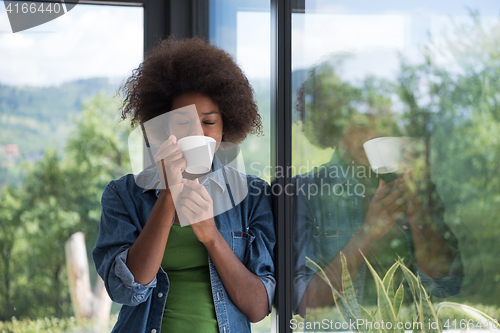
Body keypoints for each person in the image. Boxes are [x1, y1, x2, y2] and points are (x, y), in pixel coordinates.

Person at [92, 37, 276, 333]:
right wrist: (168, 195)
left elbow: (257, 308)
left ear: (226, 126)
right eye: (183, 122)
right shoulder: (123, 195)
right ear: (164, 126)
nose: (197, 133)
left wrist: (211, 236)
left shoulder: (252, 196)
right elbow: (127, 291)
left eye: (209, 122)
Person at [292, 61, 463, 315]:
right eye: (361, 122)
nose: (373, 133)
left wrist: (418, 210)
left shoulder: (416, 187)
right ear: (333, 126)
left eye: (383, 123)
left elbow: (448, 284)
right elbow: (305, 301)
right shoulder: (303, 192)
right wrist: (369, 232)